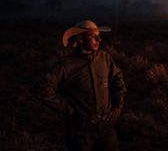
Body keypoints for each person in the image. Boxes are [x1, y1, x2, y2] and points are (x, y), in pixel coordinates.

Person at [36, 20, 126, 151]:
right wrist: (69, 109)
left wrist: (118, 105)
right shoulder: (66, 65)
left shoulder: (104, 58)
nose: (99, 39)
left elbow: (117, 78)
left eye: (99, 35)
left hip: (106, 126)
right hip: (80, 130)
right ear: (80, 39)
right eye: (93, 36)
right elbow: (42, 87)